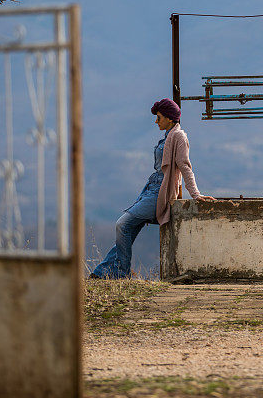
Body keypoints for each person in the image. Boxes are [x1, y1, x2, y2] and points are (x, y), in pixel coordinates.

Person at [90, 98, 213, 279]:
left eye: (159, 118)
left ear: (170, 119)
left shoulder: (179, 137)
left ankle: (121, 273)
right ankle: (103, 273)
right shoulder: (168, 135)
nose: (156, 121)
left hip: (159, 192)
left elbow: (185, 166)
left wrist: (195, 194)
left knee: (122, 224)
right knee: (128, 228)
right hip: (151, 188)